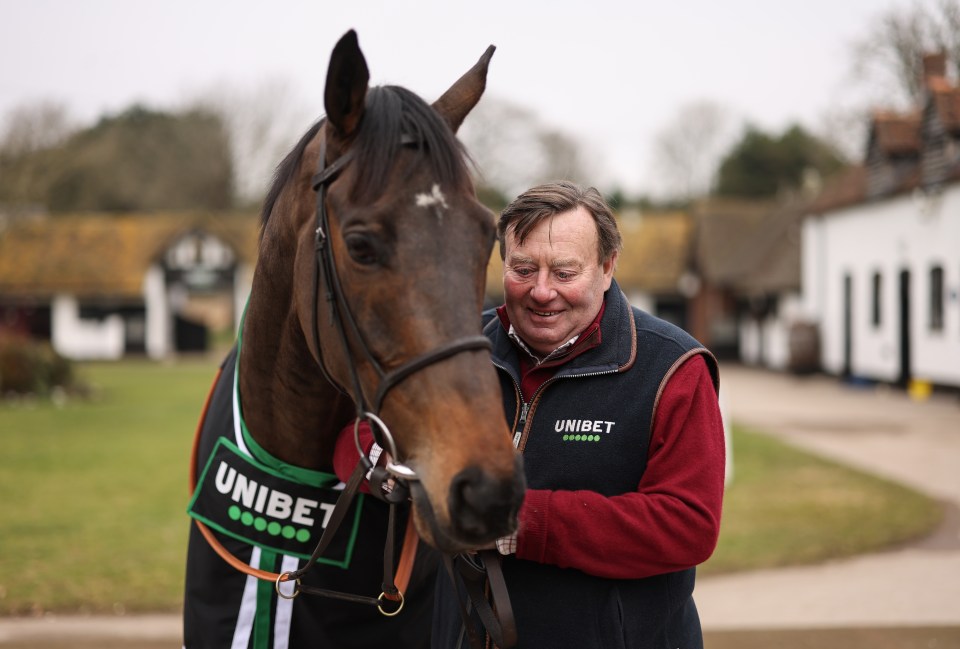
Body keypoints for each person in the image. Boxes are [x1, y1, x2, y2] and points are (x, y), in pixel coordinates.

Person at [338, 181, 725, 649]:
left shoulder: (672, 368)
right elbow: (358, 439)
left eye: (564, 272)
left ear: (607, 267)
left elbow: (688, 525)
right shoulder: (457, 351)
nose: (542, 292)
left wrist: (518, 520)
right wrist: (392, 473)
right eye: (523, 269)